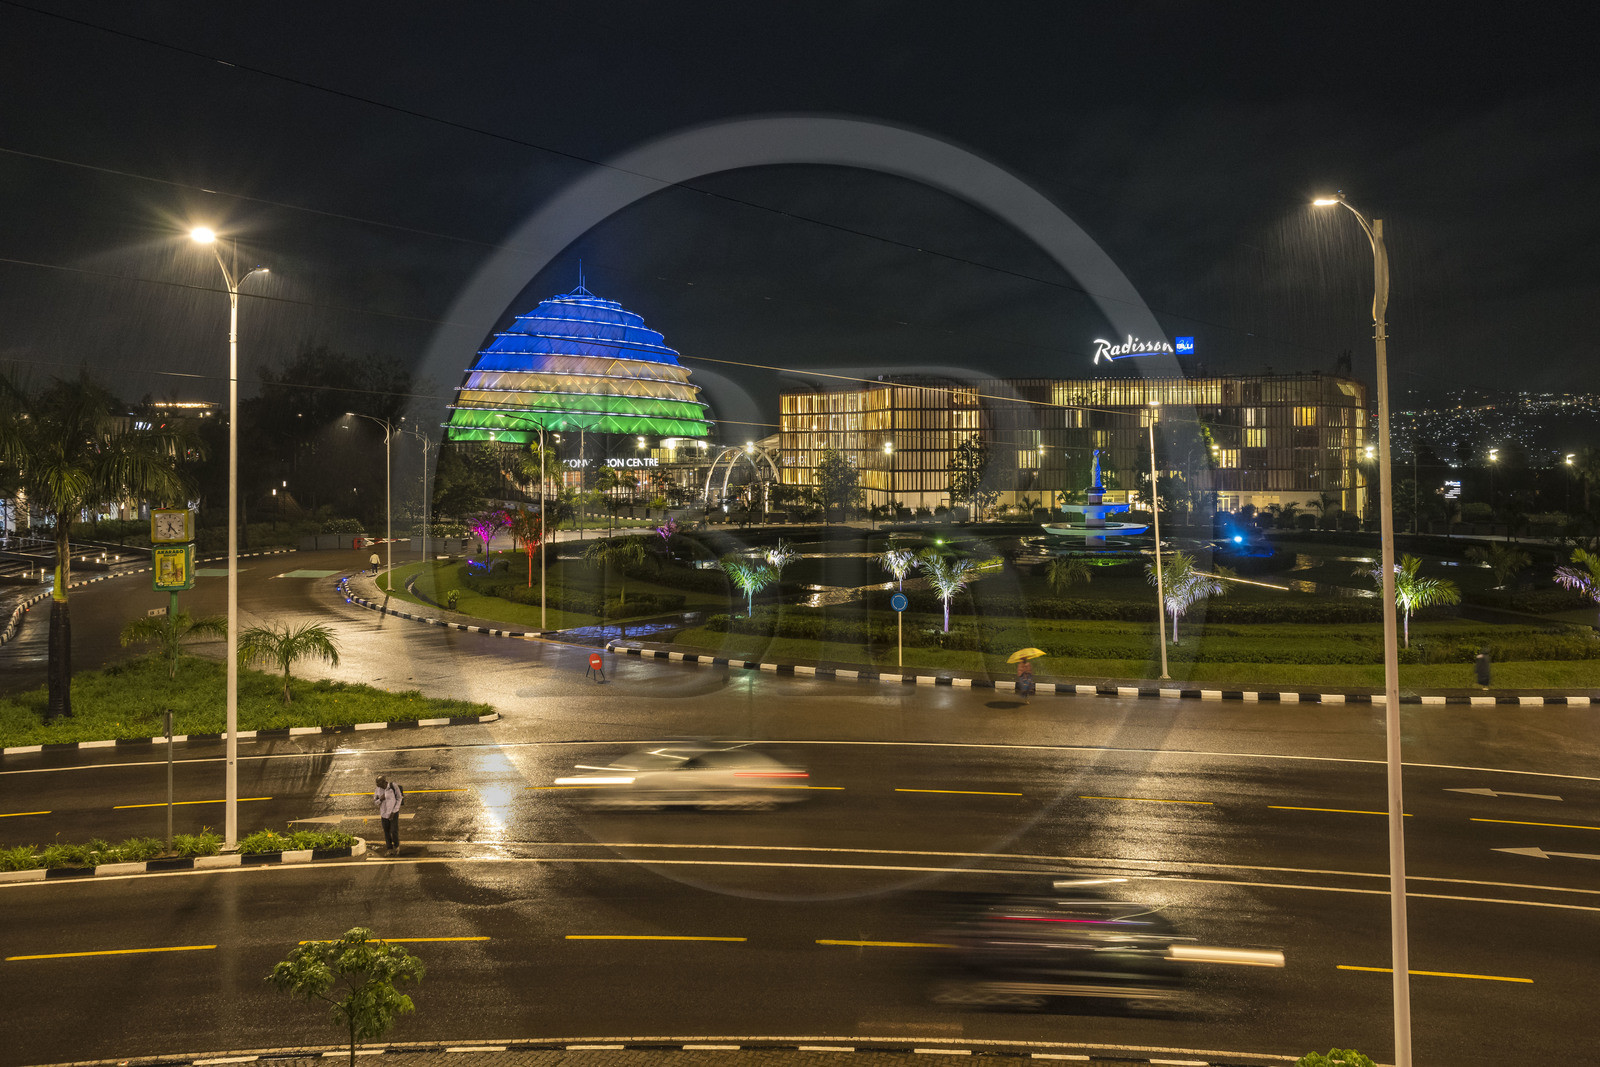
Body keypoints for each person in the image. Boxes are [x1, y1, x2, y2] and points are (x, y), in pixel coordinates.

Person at [374, 775, 404, 855]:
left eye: (378, 782)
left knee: (394, 831)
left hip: (393, 813)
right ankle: (389, 849)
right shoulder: (377, 790)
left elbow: (399, 798)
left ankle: (397, 846)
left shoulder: (393, 786)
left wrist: (394, 811)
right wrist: (380, 799)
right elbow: (375, 802)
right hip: (384, 814)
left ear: (384, 782)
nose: (377, 784)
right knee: (386, 832)